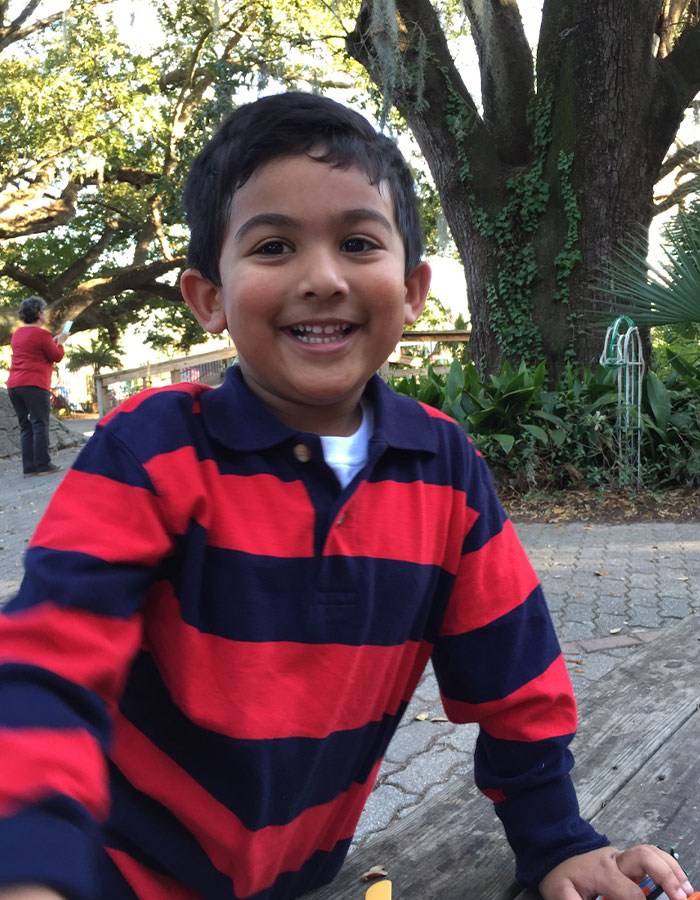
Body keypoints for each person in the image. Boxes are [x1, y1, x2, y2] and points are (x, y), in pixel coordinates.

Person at [0, 93, 693, 900]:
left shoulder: (445, 468)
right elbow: (47, 667)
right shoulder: (153, 447)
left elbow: (515, 675)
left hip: (300, 875)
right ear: (208, 298)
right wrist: (32, 865)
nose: (321, 278)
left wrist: (558, 840)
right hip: (103, 868)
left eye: (358, 242)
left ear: (410, 289)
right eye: (273, 246)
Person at [6, 296, 68, 476]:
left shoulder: (17, 334)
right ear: (40, 314)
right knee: (40, 423)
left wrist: (53, 340)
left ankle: (29, 467)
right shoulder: (42, 334)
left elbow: (35, 350)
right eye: (44, 312)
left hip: (14, 385)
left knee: (26, 425)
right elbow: (55, 356)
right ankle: (43, 464)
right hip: (34, 383)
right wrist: (61, 343)